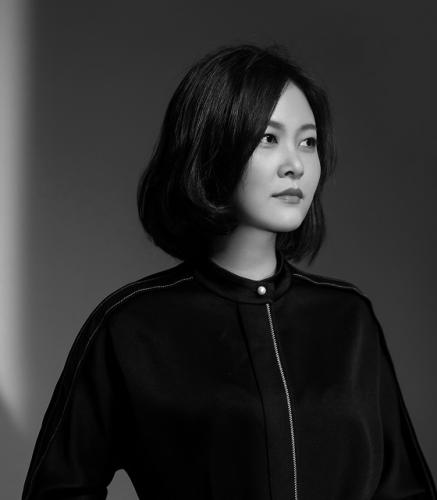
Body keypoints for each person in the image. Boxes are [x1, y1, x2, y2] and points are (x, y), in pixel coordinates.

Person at [22, 44, 436, 500]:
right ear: (212, 148)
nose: (295, 165)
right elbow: (58, 489)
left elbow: (406, 490)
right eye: (269, 139)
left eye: (308, 142)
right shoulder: (131, 326)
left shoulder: (349, 318)